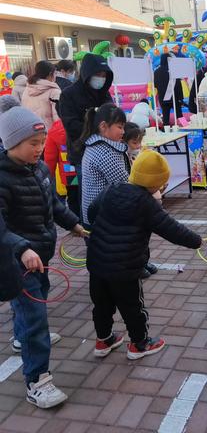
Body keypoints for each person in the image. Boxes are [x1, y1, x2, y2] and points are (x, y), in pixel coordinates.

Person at [0, 106, 85, 408]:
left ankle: (21, 337)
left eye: (41, 142)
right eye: (32, 144)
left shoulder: (40, 169)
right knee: (35, 316)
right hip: (16, 260)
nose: (40, 149)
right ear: (12, 143)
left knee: (30, 309)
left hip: (40, 255)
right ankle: (37, 381)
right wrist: (21, 248)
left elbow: (55, 205)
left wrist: (75, 224)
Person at [86, 149, 202, 359]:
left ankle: (104, 340)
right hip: (126, 268)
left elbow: (92, 211)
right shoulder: (147, 204)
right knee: (133, 307)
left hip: (98, 263)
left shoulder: (112, 189)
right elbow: (172, 229)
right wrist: (196, 241)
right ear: (155, 183)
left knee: (101, 305)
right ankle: (139, 344)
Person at [78, 103, 129, 229]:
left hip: (94, 216)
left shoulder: (95, 145)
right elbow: (124, 186)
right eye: (119, 127)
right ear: (103, 126)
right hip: (103, 220)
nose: (123, 132)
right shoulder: (105, 152)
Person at [58, 53, 113, 169]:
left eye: (104, 76)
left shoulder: (104, 93)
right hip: (82, 154)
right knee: (88, 187)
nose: (101, 79)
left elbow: (112, 114)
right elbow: (71, 125)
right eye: (98, 74)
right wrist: (98, 129)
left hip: (106, 151)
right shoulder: (68, 94)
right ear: (87, 74)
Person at [44, 119, 80, 217]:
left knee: (73, 199)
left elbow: (50, 158)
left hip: (69, 172)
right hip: (85, 169)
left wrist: (48, 176)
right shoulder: (84, 122)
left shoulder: (55, 129)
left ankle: (76, 225)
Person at [21, 61, 61, 130]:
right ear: (50, 74)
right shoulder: (54, 92)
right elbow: (58, 119)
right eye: (55, 73)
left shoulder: (27, 90)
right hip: (50, 135)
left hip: (33, 133)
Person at [154, 53, 184, 127]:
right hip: (175, 97)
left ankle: (166, 133)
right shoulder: (173, 70)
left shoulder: (156, 72)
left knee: (166, 117)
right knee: (179, 116)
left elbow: (155, 85)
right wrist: (181, 98)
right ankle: (185, 129)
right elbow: (178, 85)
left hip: (163, 98)